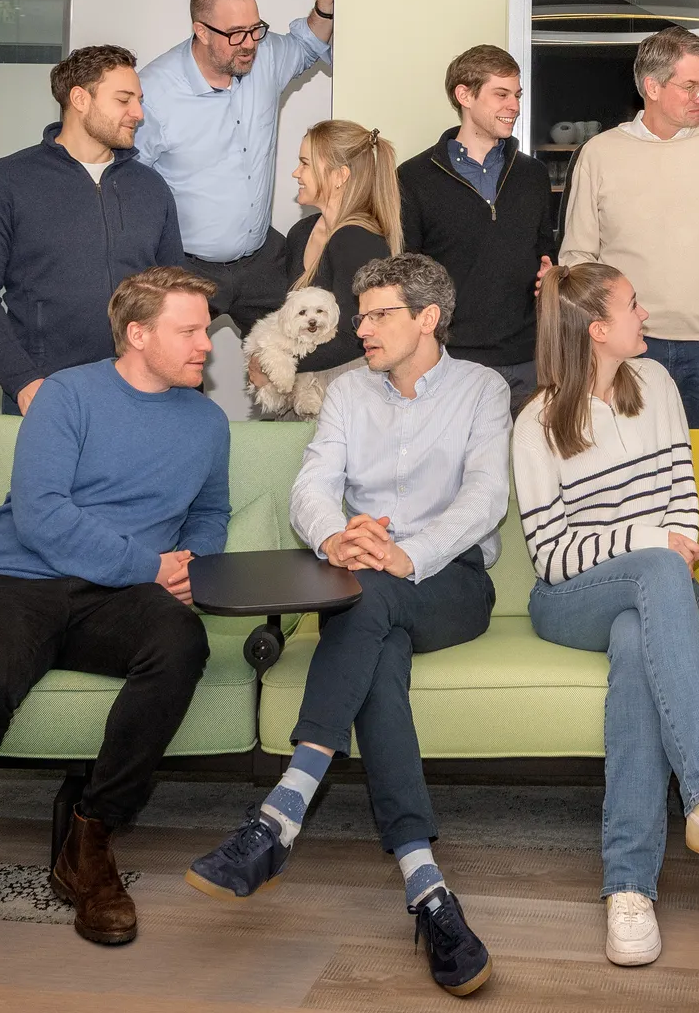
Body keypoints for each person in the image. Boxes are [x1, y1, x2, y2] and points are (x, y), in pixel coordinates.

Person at [186, 254, 507, 998]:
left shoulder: (482, 389)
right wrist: (334, 538)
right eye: (359, 315)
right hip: (360, 580)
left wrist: (407, 552)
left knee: (366, 603)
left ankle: (280, 814)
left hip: (448, 580)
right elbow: (312, 484)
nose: (359, 329)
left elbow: (486, 497)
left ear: (427, 319)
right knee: (375, 650)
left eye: (378, 314)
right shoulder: (345, 395)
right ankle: (427, 888)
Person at [0, 267, 227, 946]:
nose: (206, 344)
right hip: (18, 577)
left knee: (180, 644)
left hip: (119, 598)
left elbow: (210, 513)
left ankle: (90, 837)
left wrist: (190, 565)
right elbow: (41, 515)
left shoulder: (207, 422)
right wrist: (149, 564)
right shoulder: (67, 396)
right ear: (138, 333)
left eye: (206, 329)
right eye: (190, 330)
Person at [514, 261, 699, 968]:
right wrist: (654, 546)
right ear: (598, 330)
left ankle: (628, 888)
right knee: (657, 571)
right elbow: (550, 556)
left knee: (641, 644)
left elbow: (682, 493)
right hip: (570, 599)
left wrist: (678, 544)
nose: (647, 314)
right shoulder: (537, 422)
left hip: (656, 594)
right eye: (634, 306)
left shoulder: (659, 387)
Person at [560, 26, 699, 429]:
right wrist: (602, 338)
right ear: (652, 87)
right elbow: (577, 260)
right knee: (628, 481)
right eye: (690, 86)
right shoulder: (600, 154)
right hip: (625, 356)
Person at [0, 45, 184, 415]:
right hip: (47, 393)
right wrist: (23, 381)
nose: (138, 114)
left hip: (141, 393)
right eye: (124, 99)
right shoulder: (7, 181)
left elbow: (175, 292)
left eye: (139, 101)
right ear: (79, 98)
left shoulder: (151, 188)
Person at [136, 0, 335, 334]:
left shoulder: (264, 56)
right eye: (236, 35)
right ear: (201, 31)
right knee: (171, 374)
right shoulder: (153, 93)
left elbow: (308, 45)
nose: (249, 44)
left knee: (301, 357)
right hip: (186, 268)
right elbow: (127, 183)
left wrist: (324, 7)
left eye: (255, 29)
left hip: (261, 260)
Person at [400, 44, 556, 414]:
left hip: (527, 361)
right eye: (501, 94)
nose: (514, 105)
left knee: (524, 469)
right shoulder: (413, 178)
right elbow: (406, 276)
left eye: (516, 95)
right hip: (451, 362)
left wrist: (551, 273)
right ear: (464, 95)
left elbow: (546, 249)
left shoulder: (533, 175)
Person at [245, 119, 398, 391]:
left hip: (348, 390)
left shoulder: (357, 240)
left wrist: (275, 365)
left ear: (340, 175)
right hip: (303, 386)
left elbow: (356, 336)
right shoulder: (301, 232)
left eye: (305, 163)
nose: (296, 173)